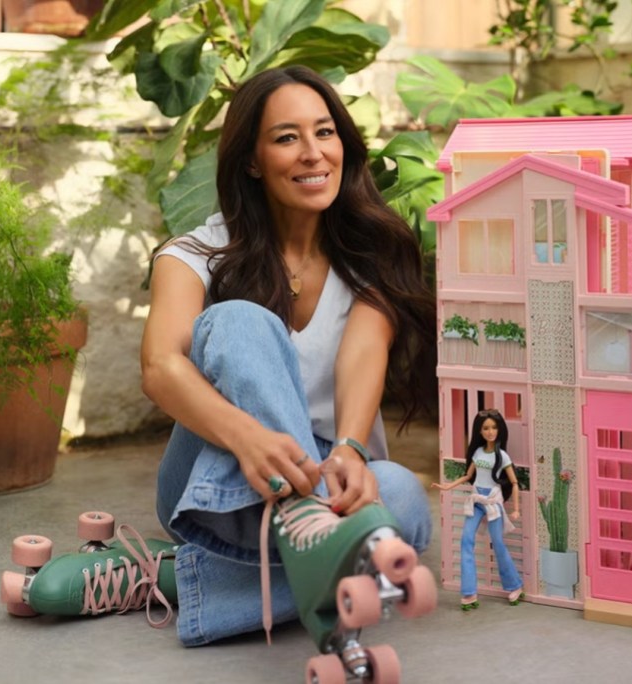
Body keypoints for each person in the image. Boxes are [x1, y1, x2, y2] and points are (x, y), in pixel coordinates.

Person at [139, 65, 436, 651]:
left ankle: (178, 578)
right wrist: (249, 438)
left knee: (399, 494)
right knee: (241, 319)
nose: (312, 153)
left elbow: (362, 357)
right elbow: (160, 368)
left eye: (325, 133)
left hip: (328, 471)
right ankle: (317, 534)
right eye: (286, 137)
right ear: (252, 160)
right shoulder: (194, 254)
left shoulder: (368, 258)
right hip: (215, 472)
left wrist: (350, 448)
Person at [431, 409, 524, 609]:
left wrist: (515, 509)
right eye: (486, 428)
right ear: (479, 431)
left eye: (494, 427)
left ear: (499, 430)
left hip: (492, 502)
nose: (490, 432)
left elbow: (514, 483)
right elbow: (467, 476)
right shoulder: (478, 452)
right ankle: (469, 592)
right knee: (465, 540)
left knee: (498, 543)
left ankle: (514, 585)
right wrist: (447, 486)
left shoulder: (503, 456)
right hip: (476, 501)